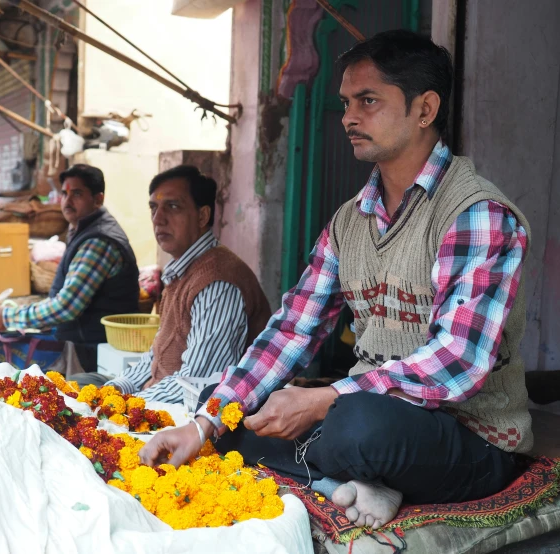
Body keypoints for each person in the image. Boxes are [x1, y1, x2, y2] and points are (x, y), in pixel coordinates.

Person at [139, 30, 533, 531]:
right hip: (365, 407)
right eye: (346, 102)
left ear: (425, 109)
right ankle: (353, 479)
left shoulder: (476, 214)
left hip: (469, 437)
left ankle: (341, 467)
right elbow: (291, 330)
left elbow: (456, 362)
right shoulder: (350, 221)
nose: (349, 117)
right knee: (226, 404)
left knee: (357, 426)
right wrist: (204, 423)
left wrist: (326, 399)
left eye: (368, 101)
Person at [91, 165, 272, 403]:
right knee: (85, 386)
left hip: (198, 421)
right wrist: (114, 391)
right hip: (159, 401)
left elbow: (196, 385)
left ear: (202, 216)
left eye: (173, 207)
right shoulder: (181, 271)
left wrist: (129, 406)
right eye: (153, 208)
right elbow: (156, 355)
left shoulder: (217, 282)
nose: (158, 219)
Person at [0, 164, 139, 373]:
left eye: (77, 194)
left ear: (98, 199)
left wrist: (6, 316)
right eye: (64, 193)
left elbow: (66, 306)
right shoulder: (84, 230)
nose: (67, 201)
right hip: (84, 346)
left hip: (95, 354)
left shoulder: (99, 241)